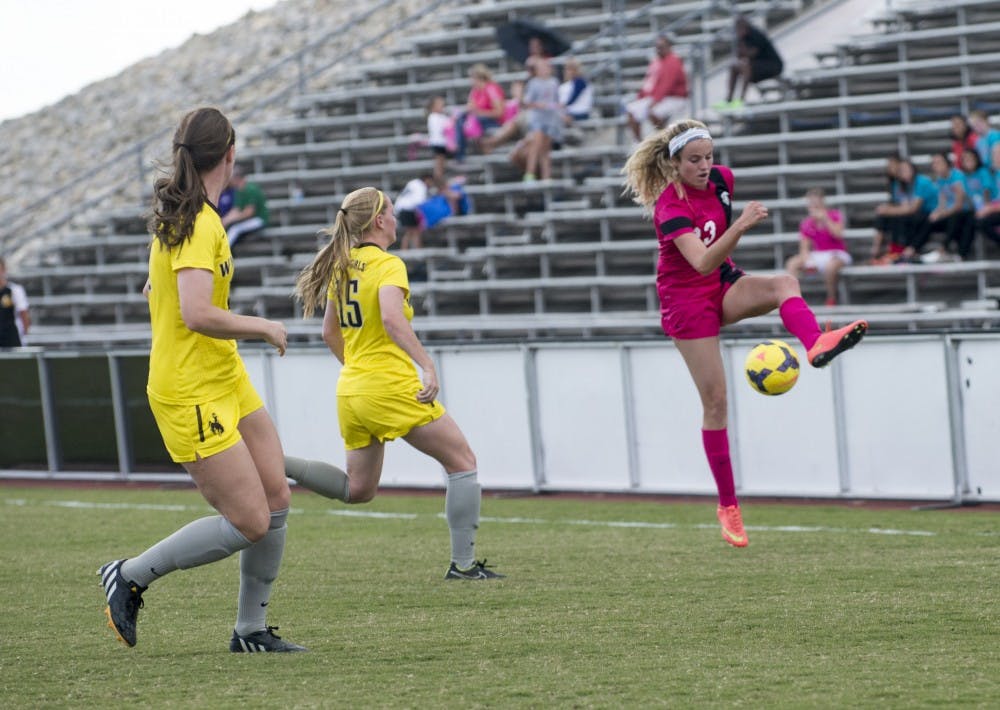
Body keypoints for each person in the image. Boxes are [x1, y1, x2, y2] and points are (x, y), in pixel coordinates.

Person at [98, 107, 309, 653]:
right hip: (190, 389)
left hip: (223, 375)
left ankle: (250, 631)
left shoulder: (190, 216)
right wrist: (262, 325)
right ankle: (130, 573)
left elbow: (162, 286)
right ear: (231, 155)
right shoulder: (199, 221)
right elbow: (195, 313)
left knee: (277, 498)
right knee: (250, 522)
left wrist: (161, 282)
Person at [621, 120, 867, 548]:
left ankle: (816, 345)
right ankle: (728, 506)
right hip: (686, 302)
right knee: (716, 404)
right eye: (694, 160)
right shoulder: (670, 207)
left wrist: (734, 237)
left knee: (783, 284)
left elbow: (714, 264)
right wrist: (741, 227)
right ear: (674, 163)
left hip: (721, 283)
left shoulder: (721, 181)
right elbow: (698, 263)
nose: (704, 166)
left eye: (708, 157)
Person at [292, 186, 503, 580]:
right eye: (391, 210)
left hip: (351, 388)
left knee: (359, 490)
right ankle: (463, 565)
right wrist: (427, 365)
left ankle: (278, 463)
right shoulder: (388, 264)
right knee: (462, 462)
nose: (395, 216)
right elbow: (392, 317)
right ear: (379, 221)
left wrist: (358, 370)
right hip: (388, 385)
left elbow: (328, 333)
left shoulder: (343, 264)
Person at [785, 188, 853, 306]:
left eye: (816, 203)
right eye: (811, 204)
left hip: (837, 252)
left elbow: (838, 234)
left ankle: (831, 298)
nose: (814, 207)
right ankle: (794, 299)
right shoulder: (806, 223)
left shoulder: (834, 215)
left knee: (831, 267)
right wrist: (809, 261)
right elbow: (804, 247)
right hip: (818, 254)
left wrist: (826, 219)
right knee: (792, 263)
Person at [624, 34, 689, 142]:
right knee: (631, 110)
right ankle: (640, 143)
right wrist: (642, 97)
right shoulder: (656, 62)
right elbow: (650, 83)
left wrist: (656, 100)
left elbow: (668, 84)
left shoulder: (673, 61)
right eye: (657, 47)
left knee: (654, 111)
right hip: (658, 96)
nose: (659, 49)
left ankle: (663, 140)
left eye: (662, 47)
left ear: (669, 46)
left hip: (674, 97)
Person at [870, 158, 933, 263]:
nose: (903, 172)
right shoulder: (899, 185)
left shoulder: (922, 182)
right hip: (913, 217)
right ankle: (878, 251)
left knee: (901, 217)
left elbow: (912, 208)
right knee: (889, 217)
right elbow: (902, 207)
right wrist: (888, 210)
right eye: (901, 170)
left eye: (905, 169)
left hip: (927, 215)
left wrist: (888, 210)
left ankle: (903, 252)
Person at [917, 152, 974, 263]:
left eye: (938, 162)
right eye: (934, 163)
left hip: (965, 212)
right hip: (950, 213)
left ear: (947, 163)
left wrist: (942, 214)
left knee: (954, 217)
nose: (935, 165)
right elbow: (942, 203)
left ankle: (942, 250)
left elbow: (959, 204)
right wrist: (936, 213)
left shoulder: (957, 175)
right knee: (928, 219)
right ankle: (914, 250)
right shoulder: (940, 180)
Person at [722, 15, 784, 108]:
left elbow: (751, 54)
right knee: (734, 67)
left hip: (773, 66)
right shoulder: (742, 38)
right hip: (758, 66)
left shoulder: (756, 34)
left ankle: (741, 100)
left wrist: (742, 49)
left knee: (745, 68)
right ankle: (729, 99)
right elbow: (740, 56)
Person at [521, 59, 563, 181]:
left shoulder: (554, 82)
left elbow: (557, 100)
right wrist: (539, 105)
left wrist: (558, 106)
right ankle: (530, 173)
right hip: (538, 118)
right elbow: (527, 102)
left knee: (546, 148)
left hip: (550, 119)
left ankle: (546, 175)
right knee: (536, 145)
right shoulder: (533, 83)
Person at [454, 64, 506, 163]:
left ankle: (461, 151)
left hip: (493, 120)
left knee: (476, 120)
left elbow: (499, 112)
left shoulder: (492, 89)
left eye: (472, 78)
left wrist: (480, 113)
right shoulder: (475, 91)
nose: (470, 81)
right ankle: (459, 152)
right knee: (460, 119)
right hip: (480, 119)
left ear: (478, 77)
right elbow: (471, 108)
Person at [221, 165, 269, 249]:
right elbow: (235, 210)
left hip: (259, 219)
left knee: (235, 229)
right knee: (229, 227)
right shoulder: (238, 190)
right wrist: (225, 220)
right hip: (249, 219)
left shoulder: (250, 189)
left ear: (237, 178)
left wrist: (231, 220)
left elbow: (249, 212)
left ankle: (225, 250)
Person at [395, 174, 435, 250]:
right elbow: (420, 202)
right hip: (409, 209)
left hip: (402, 209)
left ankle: (408, 250)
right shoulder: (421, 186)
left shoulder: (413, 182)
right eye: (430, 181)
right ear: (426, 179)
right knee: (413, 231)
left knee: (412, 231)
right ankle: (410, 250)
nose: (431, 184)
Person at [425, 95, 456, 187]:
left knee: (441, 164)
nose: (442, 107)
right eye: (439, 105)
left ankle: (440, 181)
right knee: (439, 165)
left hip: (441, 143)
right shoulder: (433, 117)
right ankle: (438, 182)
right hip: (438, 143)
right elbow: (443, 128)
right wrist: (452, 121)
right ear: (433, 107)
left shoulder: (439, 116)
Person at [0, 256, 30, 348]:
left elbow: (24, 314)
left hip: (11, 337)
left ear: (4, 270)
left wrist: (24, 334)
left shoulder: (14, 290)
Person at [558, 57, 593, 122]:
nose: (566, 72)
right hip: (572, 112)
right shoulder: (571, 83)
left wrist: (563, 105)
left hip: (580, 113)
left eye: (569, 69)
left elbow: (573, 97)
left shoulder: (580, 82)